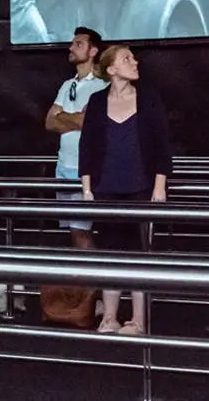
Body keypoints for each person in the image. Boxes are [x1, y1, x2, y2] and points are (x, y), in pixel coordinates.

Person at [78, 45, 171, 336]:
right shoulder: (96, 102)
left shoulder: (149, 99)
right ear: (111, 70)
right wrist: (87, 189)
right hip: (106, 186)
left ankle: (139, 320)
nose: (134, 61)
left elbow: (162, 145)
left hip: (140, 187)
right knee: (109, 253)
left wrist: (159, 186)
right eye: (126, 58)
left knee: (137, 254)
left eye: (133, 57)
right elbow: (87, 147)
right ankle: (110, 317)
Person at [44, 27, 106, 249]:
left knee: (82, 231)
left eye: (78, 44)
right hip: (63, 168)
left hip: (86, 170)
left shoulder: (102, 85)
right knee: (73, 230)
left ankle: (94, 281)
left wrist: (64, 116)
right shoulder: (67, 85)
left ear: (93, 51)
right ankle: (87, 282)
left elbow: (86, 122)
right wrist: (75, 117)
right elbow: (49, 122)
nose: (71, 48)